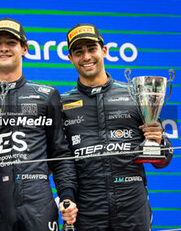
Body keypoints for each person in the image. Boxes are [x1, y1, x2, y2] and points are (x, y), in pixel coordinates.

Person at [0, 17, 78, 231]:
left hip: (39, 206)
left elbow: (60, 155)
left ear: (24, 48)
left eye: (11, 43)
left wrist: (67, 196)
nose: (4, 48)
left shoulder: (46, 95)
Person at [60, 23, 173, 230]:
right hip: (88, 211)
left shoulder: (136, 95)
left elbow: (163, 160)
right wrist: (67, 198)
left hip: (133, 209)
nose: (86, 57)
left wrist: (160, 141)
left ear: (104, 51)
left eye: (91, 49)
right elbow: (62, 162)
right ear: (70, 58)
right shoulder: (62, 104)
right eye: (78, 52)